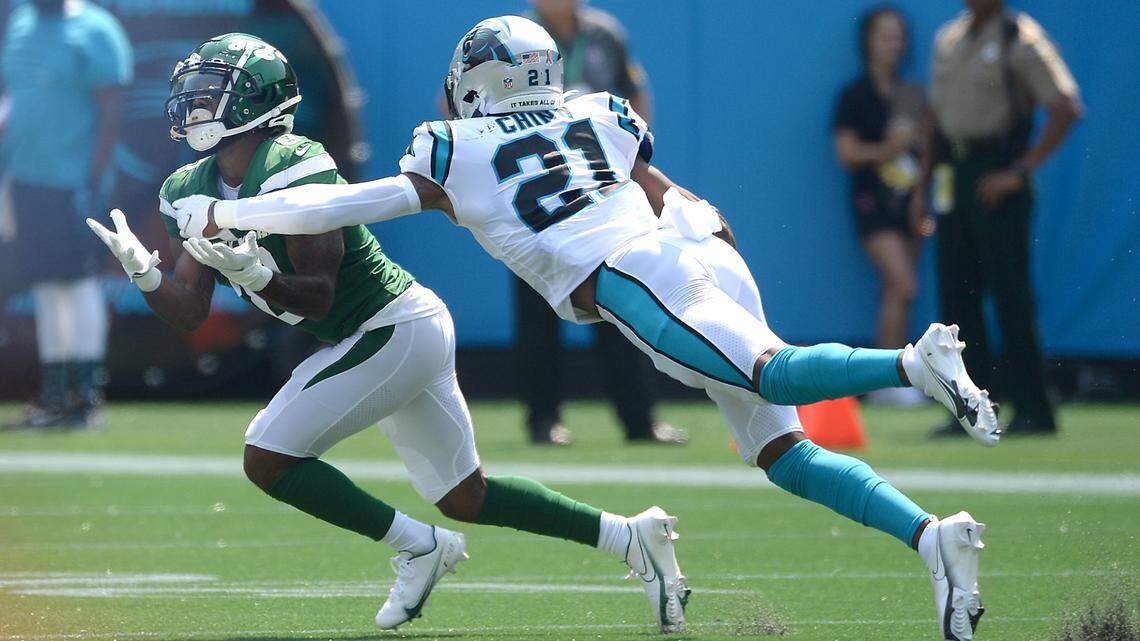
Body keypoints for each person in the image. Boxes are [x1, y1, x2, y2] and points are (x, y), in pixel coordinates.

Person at [172, 17, 1004, 640]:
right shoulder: (599, 113)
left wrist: (234, 210)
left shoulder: (452, 147)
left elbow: (346, 203)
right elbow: (661, 184)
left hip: (632, 274)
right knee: (782, 452)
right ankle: (933, 539)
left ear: (475, 80)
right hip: (699, 246)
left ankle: (913, 359)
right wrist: (714, 245)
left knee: (771, 373)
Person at [86, 34, 686, 632]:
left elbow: (317, 291)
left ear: (255, 102)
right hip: (388, 332)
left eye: (212, 91)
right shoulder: (187, 187)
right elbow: (189, 308)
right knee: (465, 496)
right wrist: (145, 275)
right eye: (193, 91)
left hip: (392, 325)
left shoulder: (292, 161)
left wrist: (256, 272)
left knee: (268, 456)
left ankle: (418, 545)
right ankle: (630, 536)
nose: (194, 104)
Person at [912, 0, 1082, 436]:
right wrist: (921, 187)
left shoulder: (1020, 39)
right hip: (954, 171)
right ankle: (970, 407)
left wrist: (1019, 172)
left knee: (1011, 295)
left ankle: (1034, 408)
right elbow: (936, 120)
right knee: (957, 297)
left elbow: (1065, 105)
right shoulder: (949, 38)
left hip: (997, 170)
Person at [516, 0, 679, 445]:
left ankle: (640, 420)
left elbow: (634, 91)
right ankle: (544, 420)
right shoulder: (512, 37)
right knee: (538, 310)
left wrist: (632, 152)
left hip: (597, 188)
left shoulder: (606, 32)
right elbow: (456, 99)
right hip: (536, 192)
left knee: (620, 298)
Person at [0, 0, 132, 429]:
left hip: (73, 182)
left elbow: (111, 112)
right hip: (23, 180)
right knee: (45, 284)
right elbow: (12, 98)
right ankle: (55, 397)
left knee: (79, 283)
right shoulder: (20, 21)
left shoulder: (98, 30)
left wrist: (92, 178)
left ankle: (85, 399)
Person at [832, 6, 928, 407]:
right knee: (902, 284)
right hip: (872, 201)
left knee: (899, 291)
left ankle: (893, 379)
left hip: (909, 203)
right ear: (867, 41)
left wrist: (922, 198)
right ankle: (888, 379)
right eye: (884, 35)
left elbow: (926, 152)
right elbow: (847, 153)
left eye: (898, 36)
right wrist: (888, 149)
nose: (893, 44)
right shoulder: (854, 95)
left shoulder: (912, 94)